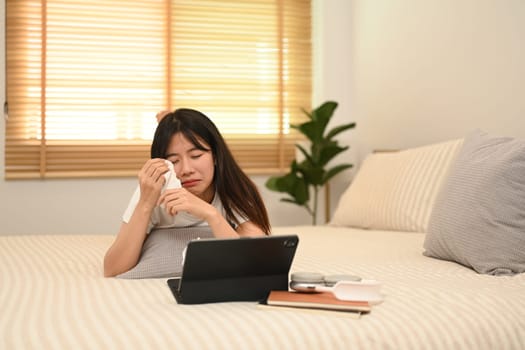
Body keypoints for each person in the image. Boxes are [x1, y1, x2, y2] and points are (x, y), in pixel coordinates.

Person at [103, 108, 271, 277]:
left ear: (215, 156)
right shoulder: (153, 188)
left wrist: (211, 214)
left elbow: (251, 262)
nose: (186, 170)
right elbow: (113, 269)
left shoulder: (234, 187)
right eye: (174, 161)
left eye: (196, 155)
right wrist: (145, 205)